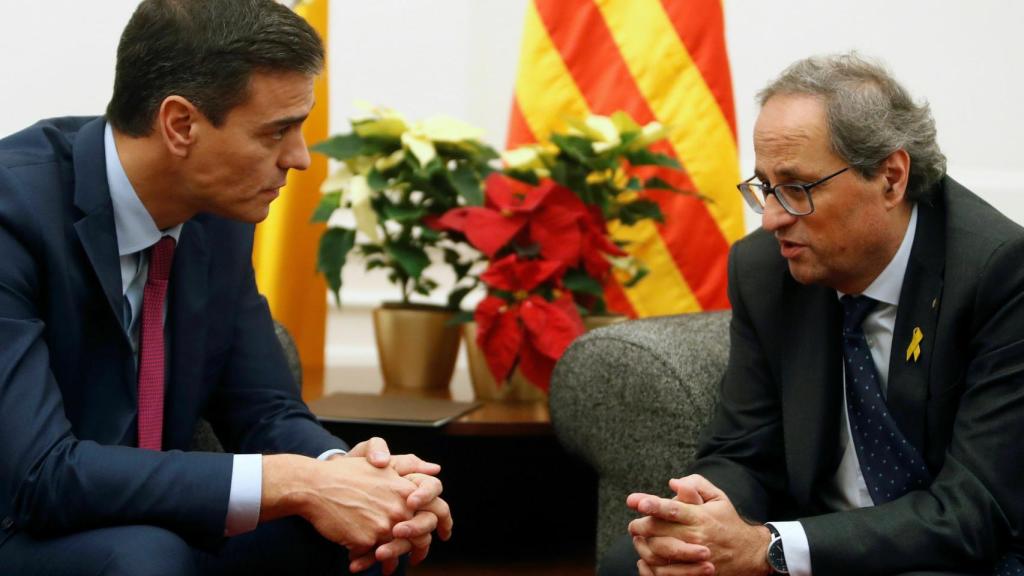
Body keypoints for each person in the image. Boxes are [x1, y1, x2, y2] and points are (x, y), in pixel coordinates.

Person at [0, 1, 451, 574]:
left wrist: (350, 473)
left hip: (157, 527)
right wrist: (294, 481)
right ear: (181, 124)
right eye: (277, 132)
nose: (301, 159)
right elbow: (42, 474)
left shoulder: (217, 215)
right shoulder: (13, 212)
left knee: (364, 536)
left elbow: (264, 411)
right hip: (23, 526)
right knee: (146, 555)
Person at [600, 53, 1024, 576]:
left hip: (953, 550)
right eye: (764, 187)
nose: (774, 218)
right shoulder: (765, 269)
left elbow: (975, 510)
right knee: (631, 566)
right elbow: (743, 452)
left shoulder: (998, 273)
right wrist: (699, 522)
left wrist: (770, 548)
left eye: (798, 189)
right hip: (812, 538)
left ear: (890, 178)